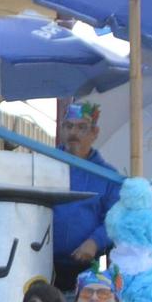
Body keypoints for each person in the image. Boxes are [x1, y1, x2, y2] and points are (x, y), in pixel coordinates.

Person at [50, 102, 117, 291]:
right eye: (69, 126)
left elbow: (115, 219)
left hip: (93, 263)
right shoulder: (44, 165)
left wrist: (95, 242)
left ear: (95, 133)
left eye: (82, 127)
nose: (74, 132)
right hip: (45, 264)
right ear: (61, 130)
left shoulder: (108, 176)